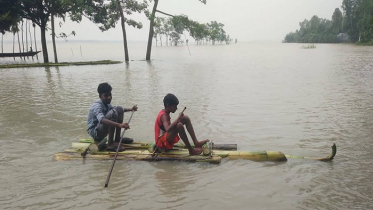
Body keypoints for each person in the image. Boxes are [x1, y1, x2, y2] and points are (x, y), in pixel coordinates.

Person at [87, 82, 137, 151]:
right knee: (113, 113)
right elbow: (102, 119)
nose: (109, 97)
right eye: (106, 96)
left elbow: (118, 109)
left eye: (110, 95)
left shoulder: (106, 104)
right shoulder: (97, 106)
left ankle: (117, 138)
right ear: (100, 96)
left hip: (101, 128)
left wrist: (131, 109)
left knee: (119, 109)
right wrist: (119, 125)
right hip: (96, 133)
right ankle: (110, 144)